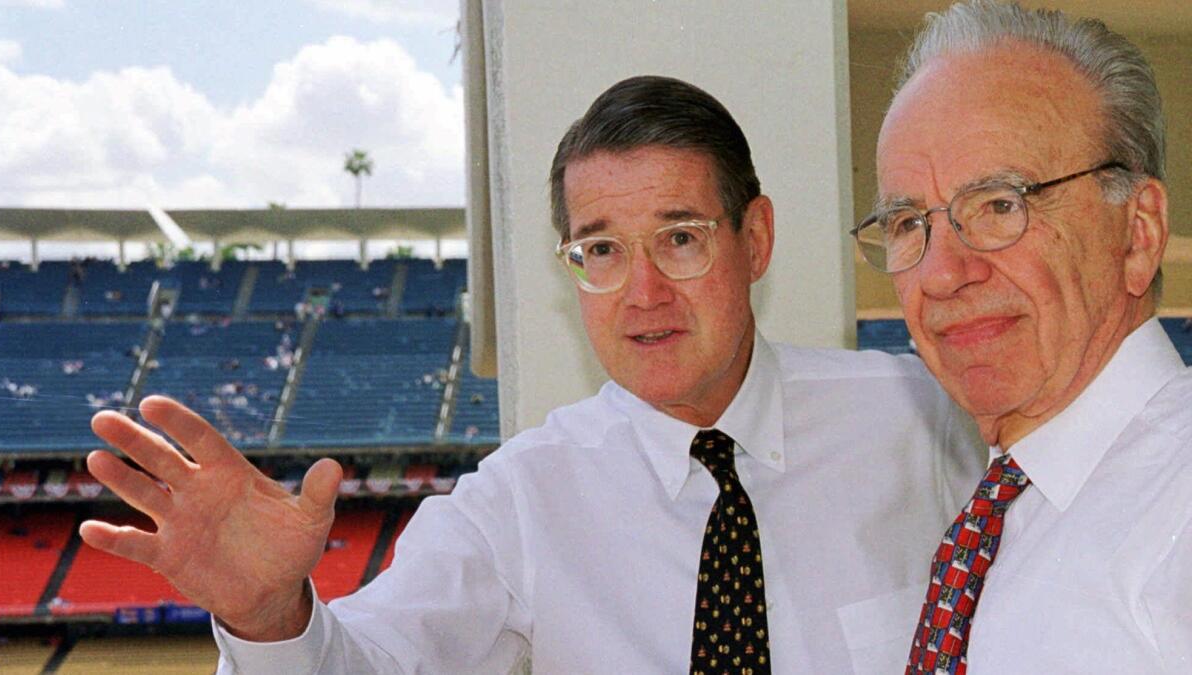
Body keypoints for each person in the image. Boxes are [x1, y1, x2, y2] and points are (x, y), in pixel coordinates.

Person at [79, 75, 985, 673]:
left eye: (679, 238)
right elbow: (373, 662)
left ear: (755, 240)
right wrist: (271, 614)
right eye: (600, 249)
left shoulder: (924, 417)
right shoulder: (520, 499)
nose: (641, 293)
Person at [850, 2, 1192, 671]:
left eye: (1001, 206)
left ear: (1139, 232)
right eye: (907, 223)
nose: (943, 273)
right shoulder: (993, 516)